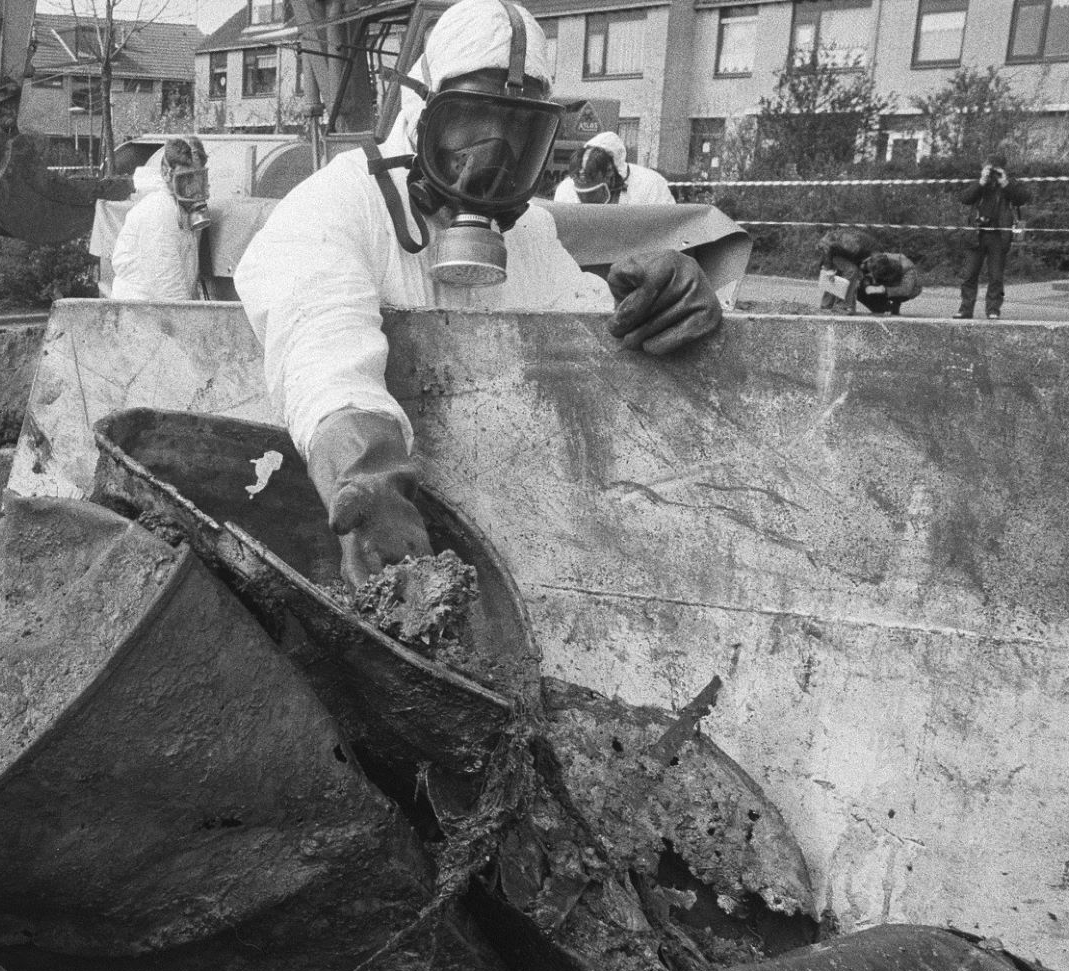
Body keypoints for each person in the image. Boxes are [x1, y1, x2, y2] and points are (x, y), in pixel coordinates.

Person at [234, 0, 721, 587]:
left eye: (521, 130)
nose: (494, 157)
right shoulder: (336, 206)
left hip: (506, 538)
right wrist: (364, 475)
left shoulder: (531, 234)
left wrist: (658, 299)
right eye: (470, 122)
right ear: (422, 112)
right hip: (350, 535)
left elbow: (583, 337)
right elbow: (320, 347)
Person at [108, 137, 210, 301]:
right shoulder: (159, 210)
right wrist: (191, 320)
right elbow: (168, 286)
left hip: (157, 309)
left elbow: (187, 278)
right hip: (140, 310)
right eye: (186, 178)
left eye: (198, 177)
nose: (193, 187)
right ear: (166, 173)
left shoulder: (181, 208)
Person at [955, 154, 1030, 320]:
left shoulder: (1010, 183)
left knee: (996, 276)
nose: (993, 174)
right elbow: (964, 198)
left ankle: (993, 309)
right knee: (969, 274)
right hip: (976, 233)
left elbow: (1022, 199)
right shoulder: (979, 182)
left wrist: (1005, 183)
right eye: (990, 168)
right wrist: (981, 182)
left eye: (996, 169)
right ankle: (965, 309)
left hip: (999, 235)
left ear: (1003, 169)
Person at [549, 131, 675, 205]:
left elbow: (668, 228)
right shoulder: (566, 189)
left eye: (592, 176)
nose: (585, 181)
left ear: (609, 172)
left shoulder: (651, 185)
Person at [816, 227, 878, 314]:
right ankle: (841, 306)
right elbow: (828, 247)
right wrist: (829, 267)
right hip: (830, 250)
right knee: (851, 271)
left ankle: (827, 305)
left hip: (840, 251)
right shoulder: (853, 246)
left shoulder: (866, 250)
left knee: (847, 274)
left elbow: (856, 260)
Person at [854, 251, 921, 316]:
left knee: (908, 291)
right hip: (884, 277)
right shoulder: (876, 259)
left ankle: (894, 303)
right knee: (857, 289)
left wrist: (884, 289)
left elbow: (906, 290)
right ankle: (882, 307)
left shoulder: (907, 268)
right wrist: (866, 283)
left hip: (907, 287)